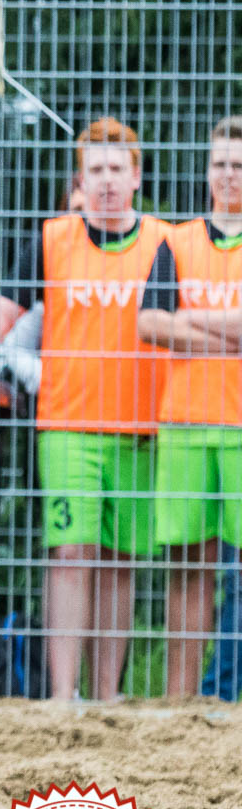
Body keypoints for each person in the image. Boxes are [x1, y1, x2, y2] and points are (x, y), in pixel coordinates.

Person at [0, 119, 169, 701]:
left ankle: (106, 697)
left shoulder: (163, 242)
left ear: (136, 176)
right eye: (95, 170)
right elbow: (4, 310)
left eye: (116, 169)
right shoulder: (53, 238)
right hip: (67, 425)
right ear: (80, 179)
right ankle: (63, 698)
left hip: (141, 428)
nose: (106, 181)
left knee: (119, 561)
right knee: (70, 553)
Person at [136, 116, 242, 697]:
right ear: (207, 171)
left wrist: (192, 318)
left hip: (239, 425)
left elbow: (173, 320)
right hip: (185, 424)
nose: (229, 175)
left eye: (239, 165)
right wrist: (226, 333)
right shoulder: (176, 242)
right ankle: (181, 702)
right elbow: (149, 322)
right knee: (189, 569)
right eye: (221, 164)